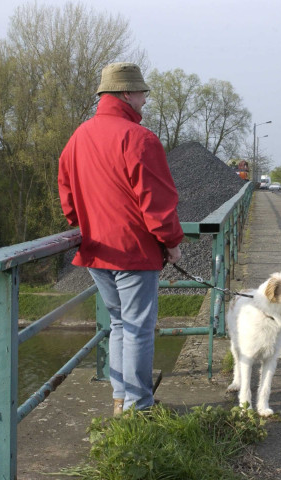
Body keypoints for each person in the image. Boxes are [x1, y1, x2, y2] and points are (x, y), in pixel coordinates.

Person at [58, 62, 184, 416]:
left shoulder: (78, 137)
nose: (145, 100)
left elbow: (67, 195)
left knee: (118, 324)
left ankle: (120, 398)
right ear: (127, 93)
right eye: (142, 93)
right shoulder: (139, 139)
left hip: (96, 251)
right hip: (133, 252)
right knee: (139, 329)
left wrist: (82, 225)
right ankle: (138, 406)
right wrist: (171, 241)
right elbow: (155, 201)